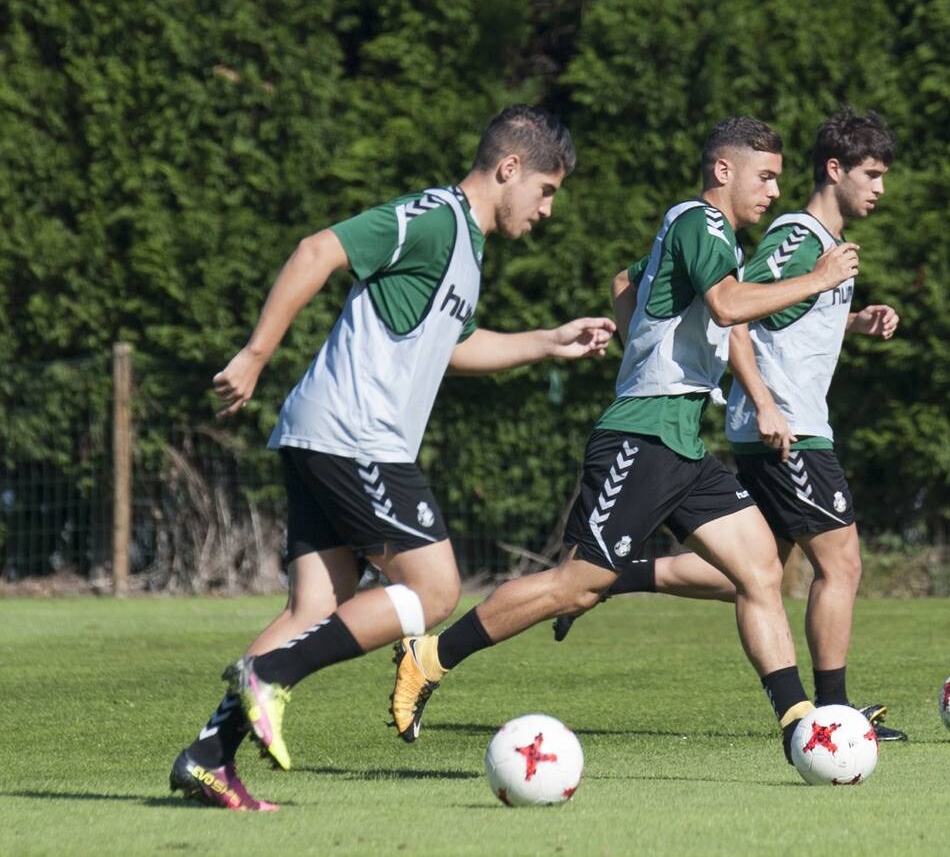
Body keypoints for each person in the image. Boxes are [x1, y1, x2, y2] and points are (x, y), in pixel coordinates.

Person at [169, 105, 616, 811]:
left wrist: (547, 340)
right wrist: (255, 354)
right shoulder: (435, 218)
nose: (548, 209)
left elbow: (453, 348)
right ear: (509, 170)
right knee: (434, 590)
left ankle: (207, 756)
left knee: (315, 605)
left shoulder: (467, 247)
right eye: (547, 189)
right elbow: (318, 250)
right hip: (356, 434)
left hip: (326, 433)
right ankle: (272, 677)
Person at [387, 117, 861, 766]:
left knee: (760, 571)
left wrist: (633, 331)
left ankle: (799, 724)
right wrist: (819, 276)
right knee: (574, 585)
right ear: (723, 170)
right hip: (641, 435)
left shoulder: (701, 232)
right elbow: (726, 306)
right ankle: (430, 655)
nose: (774, 190)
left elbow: (623, 279)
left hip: (681, 443)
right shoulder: (701, 222)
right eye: (766, 176)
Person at [552, 108, 906, 740]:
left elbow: (759, 309)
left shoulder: (816, 247)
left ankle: (614, 577)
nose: (880, 189)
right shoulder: (798, 237)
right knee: (841, 564)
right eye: (872, 174)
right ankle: (831, 712)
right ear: (836, 170)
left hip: (785, 421)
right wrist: (763, 401)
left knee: (757, 568)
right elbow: (735, 308)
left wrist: (853, 320)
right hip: (786, 427)